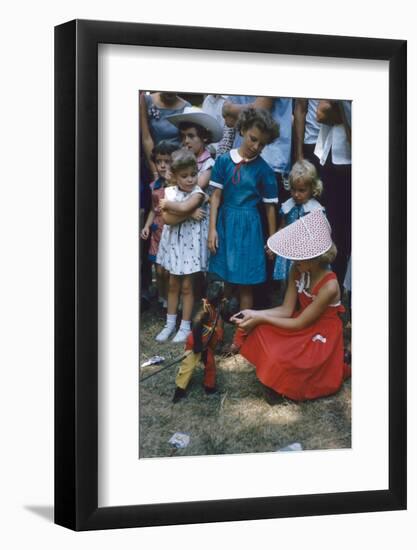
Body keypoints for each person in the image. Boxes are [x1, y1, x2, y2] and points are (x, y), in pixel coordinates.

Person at [232, 210, 350, 402]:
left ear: (314, 258)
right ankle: (277, 380)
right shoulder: (298, 269)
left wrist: (260, 317)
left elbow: (300, 323)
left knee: (291, 357)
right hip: (300, 321)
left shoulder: (329, 285)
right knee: (261, 330)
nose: (294, 261)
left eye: (299, 257)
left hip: (321, 332)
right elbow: (286, 310)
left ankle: (285, 384)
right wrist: (253, 313)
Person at [208, 108, 279, 353]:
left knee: (246, 284)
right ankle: (214, 331)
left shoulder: (264, 170)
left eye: (262, 143)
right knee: (222, 282)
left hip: (249, 228)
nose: (256, 147)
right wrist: (212, 231)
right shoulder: (223, 161)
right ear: (241, 131)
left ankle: (240, 338)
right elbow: (215, 196)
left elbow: (270, 208)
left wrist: (271, 240)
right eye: (253, 139)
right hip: (226, 224)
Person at [155, 150, 208, 343]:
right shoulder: (170, 192)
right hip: (174, 246)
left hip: (189, 248)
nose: (190, 179)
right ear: (175, 176)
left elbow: (184, 207)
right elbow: (168, 219)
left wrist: (173, 206)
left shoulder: (198, 194)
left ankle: (184, 326)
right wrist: (189, 213)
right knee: (173, 284)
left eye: (193, 174)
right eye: (184, 176)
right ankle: (170, 324)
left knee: (187, 286)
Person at [273, 159, 325, 285]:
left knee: (305, 283)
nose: (296, 195)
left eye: (302, 190)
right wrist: (275, 243)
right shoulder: (287, 206)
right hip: (289, 252)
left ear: (312, 188)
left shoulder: (315, 210)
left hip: (306, 253)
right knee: (288, 283)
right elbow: (283, 227)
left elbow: (319, 236)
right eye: (293, 190)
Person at [140, 141, 177, 308]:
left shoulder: (177, 184)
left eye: (167, 161)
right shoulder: (153, 185)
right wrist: (146, 226)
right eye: (159, 162)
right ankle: (162, 297)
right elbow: (153, 210)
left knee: (169, 270)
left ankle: (172, 299)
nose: (162, 165)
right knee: (159, 269)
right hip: (156, 231)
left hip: (171, 229)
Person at [166, 106, 223, 190]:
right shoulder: (181, 159)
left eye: (191, 136)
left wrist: (173, 180)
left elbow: (196, 188)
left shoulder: (209, 164)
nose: (186, 141)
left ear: (204, 137)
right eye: (183, 136)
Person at [139, 91, 191, 178]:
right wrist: (155, 172)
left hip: (175, 165)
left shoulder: (186, 107)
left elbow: (184, 141)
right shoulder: (146, 100)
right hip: (152, 161)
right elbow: (146, 138)